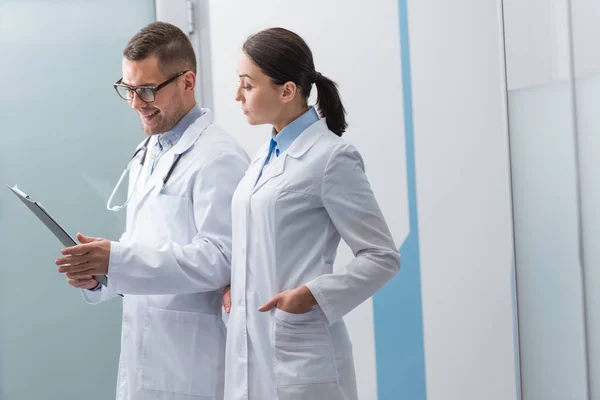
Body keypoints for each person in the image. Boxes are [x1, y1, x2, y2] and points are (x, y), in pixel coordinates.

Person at [55, 22, 249, 400]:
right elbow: (146, 246)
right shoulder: (150, 151)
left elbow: (222, 259)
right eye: (128, 89)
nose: (135, 103)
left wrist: (118, 260)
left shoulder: (219, 158)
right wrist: (101, 275)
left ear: (187, 82)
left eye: (146, 90)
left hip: (191, 362)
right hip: (148, 353)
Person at [223, 27, 400, 400]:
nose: (237, 95)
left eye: (247, 84)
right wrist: (236, 285)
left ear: (287, 91)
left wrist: (312, 295)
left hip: (299, 354)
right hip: (250, 347)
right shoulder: (263, 155)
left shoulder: (331, 157)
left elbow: (382, 257)